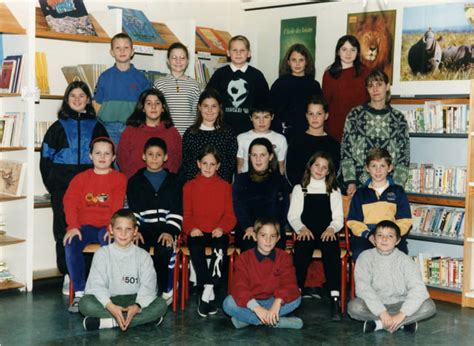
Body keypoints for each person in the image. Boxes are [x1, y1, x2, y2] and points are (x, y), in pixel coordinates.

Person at [40, 81, 109, 295]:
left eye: (82, 96)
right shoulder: (57, 127)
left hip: (91, 190)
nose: (78, 99)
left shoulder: (97, 125)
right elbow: (45, 160)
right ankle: (68, 274)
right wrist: (55, 185)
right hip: (62, 189)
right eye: (73, 96)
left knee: (88, 228)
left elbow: (106, 156)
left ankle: (87, 275)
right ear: (67, 100)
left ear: (88, 100)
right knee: (63, 230)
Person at [63, 137, 127, 312]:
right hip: (83, 226)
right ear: (90, 155)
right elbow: (69, 202)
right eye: (98, 153)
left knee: (111, 243)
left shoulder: (119, 178)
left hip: (106, 226)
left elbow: (117, 206)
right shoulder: (80, 178)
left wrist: (111, 228)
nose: (102, 157)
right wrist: (73, 226)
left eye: (107, 153)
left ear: (113, 158)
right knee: (70, 243)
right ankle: (79, 293)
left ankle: (108, 292)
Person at [79, 209, 168, 331]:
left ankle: (110, 322)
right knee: (85, 303)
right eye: (118, 229)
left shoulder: (143, 255)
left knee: (161, 304)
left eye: (128, 229)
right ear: (111, 229)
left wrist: (137, 306)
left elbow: (149, 286)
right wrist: (110, 306)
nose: (123, 233)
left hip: (135, 300)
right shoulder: (102, 254)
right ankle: (141, 320)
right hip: (109, 301)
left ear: (135, 231)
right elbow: (96, 285)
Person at [347, 220, 436, 334]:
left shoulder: (405, 260)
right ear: (374, 239)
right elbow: (363, 288)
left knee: (429, 306)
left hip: (400, 304)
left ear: (397, 240)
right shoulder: (365, 257)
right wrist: (381, 312)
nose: (384, 239)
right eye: (380, 235)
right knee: (354, 307)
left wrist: (402, 314)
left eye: (390, 236)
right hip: (374, 305)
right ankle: (403, 323)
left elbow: (418, 289)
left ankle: (380, 324)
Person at [287, 151, 344, 320]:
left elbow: (338, 217)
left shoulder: (333, 190)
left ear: (329, 171)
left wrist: (332, 229)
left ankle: (335, 297)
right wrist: (301, 228)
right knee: (301, 252)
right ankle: (295, 297)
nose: (320, 169)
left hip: (327, 231)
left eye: (324, 167)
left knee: (331, 251)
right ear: (310, 166)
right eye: (316, 165)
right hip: (307, 231)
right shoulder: (300, 188)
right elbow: (293, 216)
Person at [182, 145, 237, 317]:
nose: (208, 167)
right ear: (198, 163)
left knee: (220, 249)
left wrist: (222, 228)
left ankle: (207, 290)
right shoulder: (189, 186)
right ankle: (206, 288)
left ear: (218, 166)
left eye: (212, 164)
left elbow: (230, 215)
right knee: (196, 247)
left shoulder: (225, 186)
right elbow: (186, 213)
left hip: (217, 231)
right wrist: (191, 228)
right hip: (197, 230)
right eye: (204, 163)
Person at [222, 217, 303, 329]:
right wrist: (257, 308)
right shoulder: (244, 258)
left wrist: (277, 303)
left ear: (278, 238)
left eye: (272, 236)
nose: (268, 240)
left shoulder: (284, 257)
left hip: (273, 300)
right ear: (255, 237)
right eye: (263, 235)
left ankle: (247, 320)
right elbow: (239, 286)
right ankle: (277, 322)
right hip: (250, 303)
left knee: (297, 297)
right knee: (228, 303)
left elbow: (289, 283)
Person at [127, 137, 182, 297]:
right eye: (150, 154)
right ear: (143, 156)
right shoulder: (134, 182)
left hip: (166, 229)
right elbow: (133, 209)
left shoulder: (174, 181)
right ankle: (143, 291)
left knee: (164, 250)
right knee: (138, 249)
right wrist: (135, 230)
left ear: (165, 157)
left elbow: (177, 209)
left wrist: (170, 231)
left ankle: (164, 288)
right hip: (144, 229)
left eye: (158, 155)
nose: (154, 158)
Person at [341, 69, 410, 196]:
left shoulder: (399, 119)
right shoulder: (355, 115)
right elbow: (346, 151)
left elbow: (404, 157)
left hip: (388, 187)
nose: (375, 89)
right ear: (367, 89)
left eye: (379, 84)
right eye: (371, 85)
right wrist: (350, 182)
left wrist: (396, 187)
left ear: (387, 86)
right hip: (359, 187)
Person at [347, 148, 412, 261]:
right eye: (373, 166)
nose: (378, 170)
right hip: (367, 235)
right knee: (360, 253)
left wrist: (391, 236)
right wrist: (369, 235)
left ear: (390, 168)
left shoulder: (398, 191)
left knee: (401, 254)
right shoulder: (360, 194)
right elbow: (353, 221)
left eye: (382, 166)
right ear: (367, 168)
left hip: (391, 234)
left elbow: (405, 220)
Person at [233, 138, 289, 252]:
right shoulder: (241, 180)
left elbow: (283, 210)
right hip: (248, 229)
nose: (258, 159)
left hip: (272, 231)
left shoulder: (280, 180)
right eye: (254, 155)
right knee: (249, 246)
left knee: (274, 249)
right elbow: (239, 207)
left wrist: (269, 232)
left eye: (262, 155)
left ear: (270, 156)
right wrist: (248, 228)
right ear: (249, 157)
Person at [206, 35, 270, 135]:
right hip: (222, 129)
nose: (238, 53)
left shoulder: (257, 76)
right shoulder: (219, 74)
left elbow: (265, 104)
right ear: (228, 52)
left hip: (249, 130)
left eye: (242, 50)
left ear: (249, 53)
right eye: (234, 50)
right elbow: (209, 99)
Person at [94, 32, 150, 146]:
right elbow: (96, 104)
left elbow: (146, 106)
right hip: (108, 127)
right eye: (118, 48)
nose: (122, 51)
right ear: (112, 52)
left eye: (126, 47)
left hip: (132, 128)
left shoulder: (141, 79)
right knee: (110, 161)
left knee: (130, 161)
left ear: (132, 51)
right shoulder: (105, 76)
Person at [117, 88, 182, 179]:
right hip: (136, 185)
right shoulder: (129, 132)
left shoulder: (172, 132)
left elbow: (176, 161)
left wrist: (166, 181)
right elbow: (122, 160)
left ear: (163, 108)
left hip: (165, 185)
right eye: (149, 103)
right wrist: (135, 182)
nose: (153, 107)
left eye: (157, 103)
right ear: (143, 108)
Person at [181, 89, 237, 183]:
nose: (210, 110)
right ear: (199, 107)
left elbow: (230, 164)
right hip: (196, 186)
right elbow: (187, 163)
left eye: (214, 106)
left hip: (220, 186)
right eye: (205, 106)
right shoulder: (190, 133)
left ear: (220, 107)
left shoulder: (228, 133)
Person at [322, 35, 370, 142]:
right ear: (338, 52)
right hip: (334, 129)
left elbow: (369, 101)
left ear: (357, 53)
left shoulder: (365, 72)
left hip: (360, 128)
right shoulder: (329, 74)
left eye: (352, 50)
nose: (348, 54)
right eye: (344, 49)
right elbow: (325, 104)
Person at [270, 43, 322, 141]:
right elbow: (271, 111)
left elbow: (319, 112)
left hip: (307, 132)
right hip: (283, 133)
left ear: (306, 62)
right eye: (294, 60)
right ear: (288, 62)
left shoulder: (314, 85)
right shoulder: (279, 84)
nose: (297, 64)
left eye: (301, 60)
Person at [285, 95, 340, 187]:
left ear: (326, 116)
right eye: (311, 114)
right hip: (301, 192)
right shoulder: (296, 141)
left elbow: (335, 172)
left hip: (325, 192)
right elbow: (290, 171)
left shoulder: (333, 144)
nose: (314, 118)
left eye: (319, 114)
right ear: (306, 116)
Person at [154, 42, 201, 135]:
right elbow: (155, 112)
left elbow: (197, 114)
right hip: (165, 134)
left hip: (188, 135)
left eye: (182, 58)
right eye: (174, 57)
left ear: (187, 61)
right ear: (168, 60)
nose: (178, 61)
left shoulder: (194, 85)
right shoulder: (159, 84)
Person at [237, 104, 287, 174]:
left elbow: (281, 167)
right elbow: (240, 166)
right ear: (251, 118)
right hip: (247, 181)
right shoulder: (241, 138)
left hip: (270, 181)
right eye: (257, 117)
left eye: (266, 117)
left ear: (272, 117)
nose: (261, 122)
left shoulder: (280, 139)